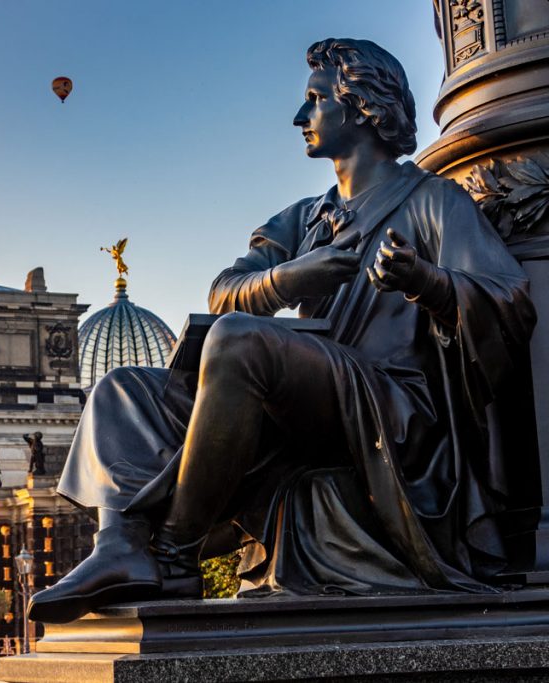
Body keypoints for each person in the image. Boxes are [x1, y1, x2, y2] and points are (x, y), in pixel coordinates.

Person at [28, 38, 536, 625]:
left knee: (239, 339)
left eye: (315, 100)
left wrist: (426, 280)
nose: (300, 118)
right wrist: (294, 275)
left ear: (363, 106)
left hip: (390, 405)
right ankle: (119, 546)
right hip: (305, 401)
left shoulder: (433, 200)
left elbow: (509, 300)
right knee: (119, 388)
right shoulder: (302, 218)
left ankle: (173, 553)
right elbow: (223, 290)